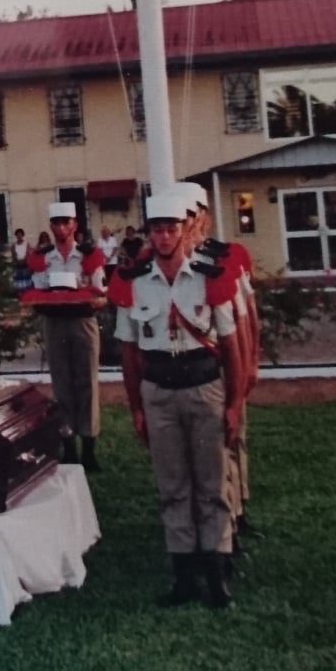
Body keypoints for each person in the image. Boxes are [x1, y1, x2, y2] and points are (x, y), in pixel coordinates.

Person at [115, 190, 244, 611]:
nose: (165, 236)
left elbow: (230, 347)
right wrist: (136, 407)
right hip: (159, 393)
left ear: (182, 231)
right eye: (157, 230)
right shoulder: (134, 283)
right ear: (149, 235)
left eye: (172, 228)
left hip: (204, 389)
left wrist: (234, 403)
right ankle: (184, 576)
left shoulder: (211, 277)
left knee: (211, 485)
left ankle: (217, 575)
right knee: (172, 486)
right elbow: (130, 355)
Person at [180, 182, 262, 542]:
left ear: (205, 220)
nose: (189, 228)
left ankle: (237, 512)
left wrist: (250, 362)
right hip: (194, 373)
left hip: (227, 362)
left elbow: (248, 317)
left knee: (233, 439)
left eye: (194, 219)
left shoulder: (227, 259)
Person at [28, 202, 106, 471]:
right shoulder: (44, 258)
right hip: (55, 323)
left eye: (66, 223)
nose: (61, 228)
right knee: (61, 384)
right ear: (50, 226)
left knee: (87, 383)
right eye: (56, 223)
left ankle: (90, 449)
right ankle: (69, 446)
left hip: (82, 321)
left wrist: (85, 297)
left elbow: (100, 293)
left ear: (75, 225)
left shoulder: (89, 255)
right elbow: (37, 291)